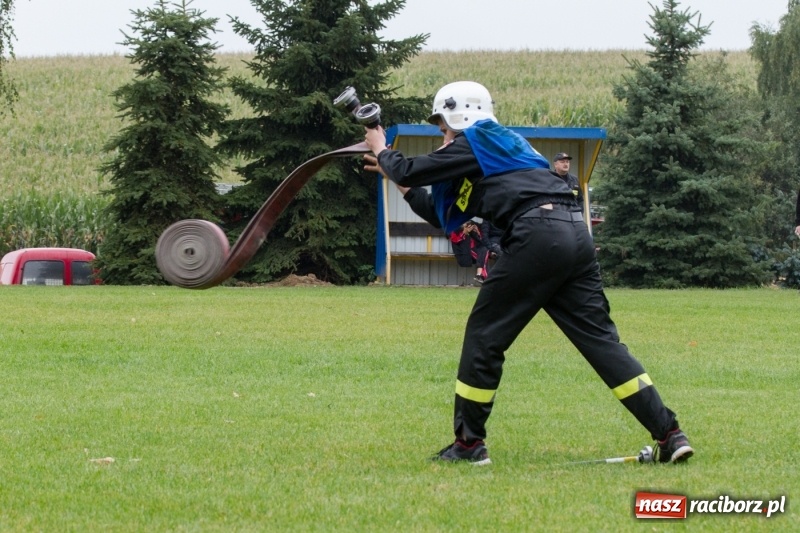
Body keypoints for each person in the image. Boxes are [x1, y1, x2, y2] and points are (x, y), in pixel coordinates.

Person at [363, 81, 693, 465]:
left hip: (538, 235)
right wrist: (396, 177)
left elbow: (412, 167)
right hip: (573, 234)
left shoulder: (480, 136)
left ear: (460, 115)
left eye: (443, 128)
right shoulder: (502, 147)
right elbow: (436, 209)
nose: (442, 136)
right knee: (603, 344)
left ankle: (469, 446)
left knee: (484, 337)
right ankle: (670, 434)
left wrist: (381, 148)